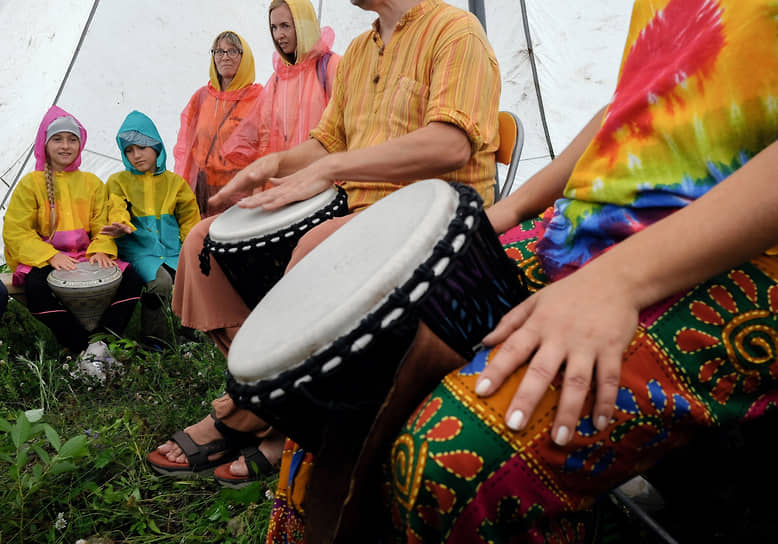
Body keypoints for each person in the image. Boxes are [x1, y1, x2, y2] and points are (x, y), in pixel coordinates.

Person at [376, 1, 778, 542]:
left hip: (737, 253)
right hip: (591, 221)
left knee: (452, 461)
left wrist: (617, 279)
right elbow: (635, 99)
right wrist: (511, 211)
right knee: (379, 322)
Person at [152, 0, 500, 489]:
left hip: (431, 219)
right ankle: (278, 404)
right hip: (356, 210)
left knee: (313, 247)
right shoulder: (360, 51)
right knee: (202, 244)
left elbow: (451, 144)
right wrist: (273, 167)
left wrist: (332, 170)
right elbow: (328, 142)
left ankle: (259, 418)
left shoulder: (455, 32)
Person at [149, 0, 344, 485]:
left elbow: (346, 139)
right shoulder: (275, 82)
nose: (280, 35)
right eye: (273, 26)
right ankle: (266, 389)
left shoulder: (334, 69)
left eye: (287, 25)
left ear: (305, 24)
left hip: (328, 201)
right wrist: (238, 168)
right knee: (200, 241)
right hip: (279, 201)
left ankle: (250, 412)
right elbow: (250, 140)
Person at [2, 106, 143, 380]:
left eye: (72, 139)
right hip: (45, 258)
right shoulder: (30, 184)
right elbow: (16, 231)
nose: (66, 146)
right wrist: (49, 255)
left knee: (132, 278)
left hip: (85, 255)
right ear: (45, 143)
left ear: (81, 144)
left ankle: (99, 341)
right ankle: (87, 347)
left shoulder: (91, 183)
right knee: (36, 287)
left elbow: (101, 222)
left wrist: (101, 247)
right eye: (58, 139)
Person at [102, 111, 200, 347]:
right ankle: (156, 341)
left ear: (157, 146)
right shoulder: (118, 181)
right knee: (161, 283)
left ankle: (192, 335)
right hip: (139, 251)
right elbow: (116, 207)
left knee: (194, 278)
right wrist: (121, 223)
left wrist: (191, 246)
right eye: (128, 150)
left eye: (142, 147)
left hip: (174, 250)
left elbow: (189, 218)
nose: (135, 155)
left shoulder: (175, 183)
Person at [172, 30, 263, 217]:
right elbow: (185, 147)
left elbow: (268, 148)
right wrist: (182, 188)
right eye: (219, 52)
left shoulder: (259, 99)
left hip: (239, 196)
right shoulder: (202, 97)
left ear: (244, 56)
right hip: (201, 192)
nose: (225, 57)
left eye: (233, 51)